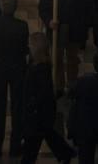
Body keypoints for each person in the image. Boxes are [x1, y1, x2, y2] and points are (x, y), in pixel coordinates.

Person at [21, 32, 76, 164]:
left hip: (39, 112)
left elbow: (42, 94)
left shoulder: (40, 70)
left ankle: (65, 153)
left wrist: (31, 106)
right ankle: (65, 153)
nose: (28, 46)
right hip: (42, 112)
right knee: (48, 134)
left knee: (33, 143)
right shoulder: (38, 65)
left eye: (30, 44)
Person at [0, 0, 29, 156]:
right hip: (17, 69)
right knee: (17, 106)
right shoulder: (22, 26)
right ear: (15, 8)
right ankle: (15, 144)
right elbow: (24, 49)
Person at [38, 0, 90, 92]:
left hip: (74, 28)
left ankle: (72, 86)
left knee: (73, 60)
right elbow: (43, 8)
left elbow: (87, 7)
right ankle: (59, 87)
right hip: (58, 29)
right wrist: (49, 21)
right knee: (57, 59)